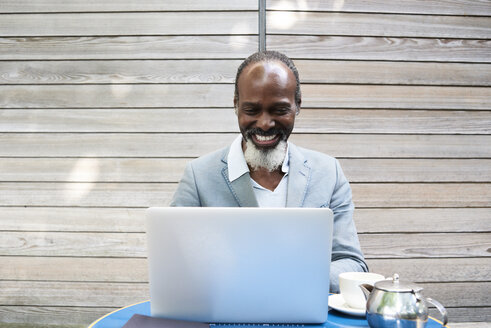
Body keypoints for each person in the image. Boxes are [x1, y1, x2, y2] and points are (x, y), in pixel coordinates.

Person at [171, 51, 367, 292]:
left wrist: (289, 277)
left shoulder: (328, 173)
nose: (265, 124)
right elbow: (174, 264)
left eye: (279, 110)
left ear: (297, 106)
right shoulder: (198, 176)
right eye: (252, 110)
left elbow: (352, 265)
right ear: (236, 106)